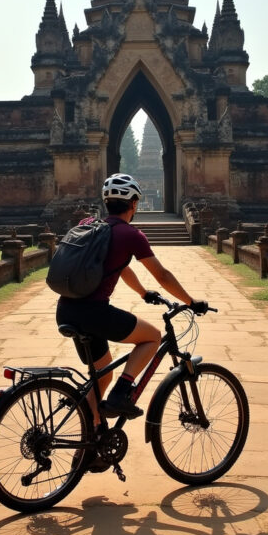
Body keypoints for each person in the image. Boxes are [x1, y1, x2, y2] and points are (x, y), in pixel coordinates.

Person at [55, 173, 209, 423]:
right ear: (134, 204)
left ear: (106, 203)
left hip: (66, 310)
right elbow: (162, 275)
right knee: (152, 337)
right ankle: (121, 394)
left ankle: (88, 446)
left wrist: (143, 293)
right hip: (93, 314)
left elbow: (121, 267)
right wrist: (191, 301)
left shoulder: (90, 226)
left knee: (101, 376)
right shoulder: (130, 235)